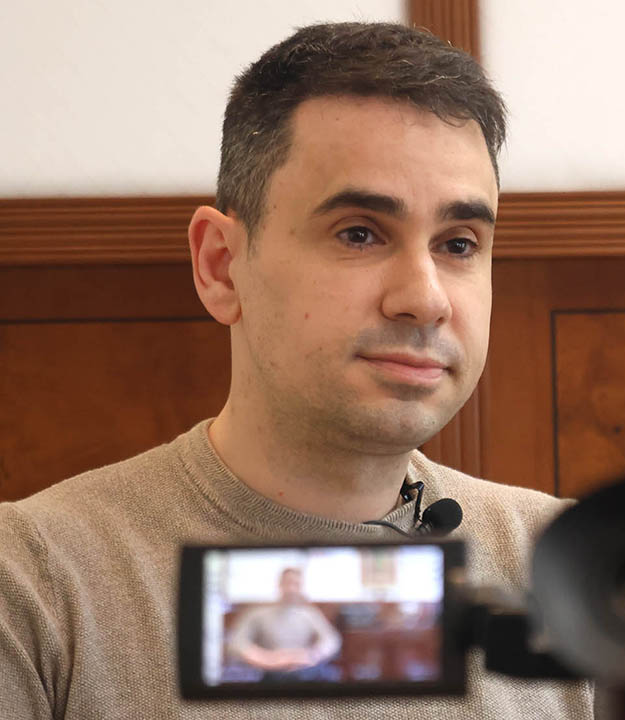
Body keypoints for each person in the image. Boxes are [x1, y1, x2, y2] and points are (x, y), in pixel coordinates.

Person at [0, 21, 594, 719]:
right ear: (222, 267)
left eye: (458, 244)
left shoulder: (581, 571)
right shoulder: (33, 582)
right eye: (360, 233)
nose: (425, 298)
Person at [225, 568, 342, 682]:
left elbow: (331, 640)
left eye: (296, 584)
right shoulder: (257, 613)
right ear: (280, 584)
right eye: (288, 583)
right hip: (266, 672)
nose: (291, 589)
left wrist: (311, 655)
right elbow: (236, 643)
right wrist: (266, 659)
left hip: (303, 671)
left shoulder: (310, 614)